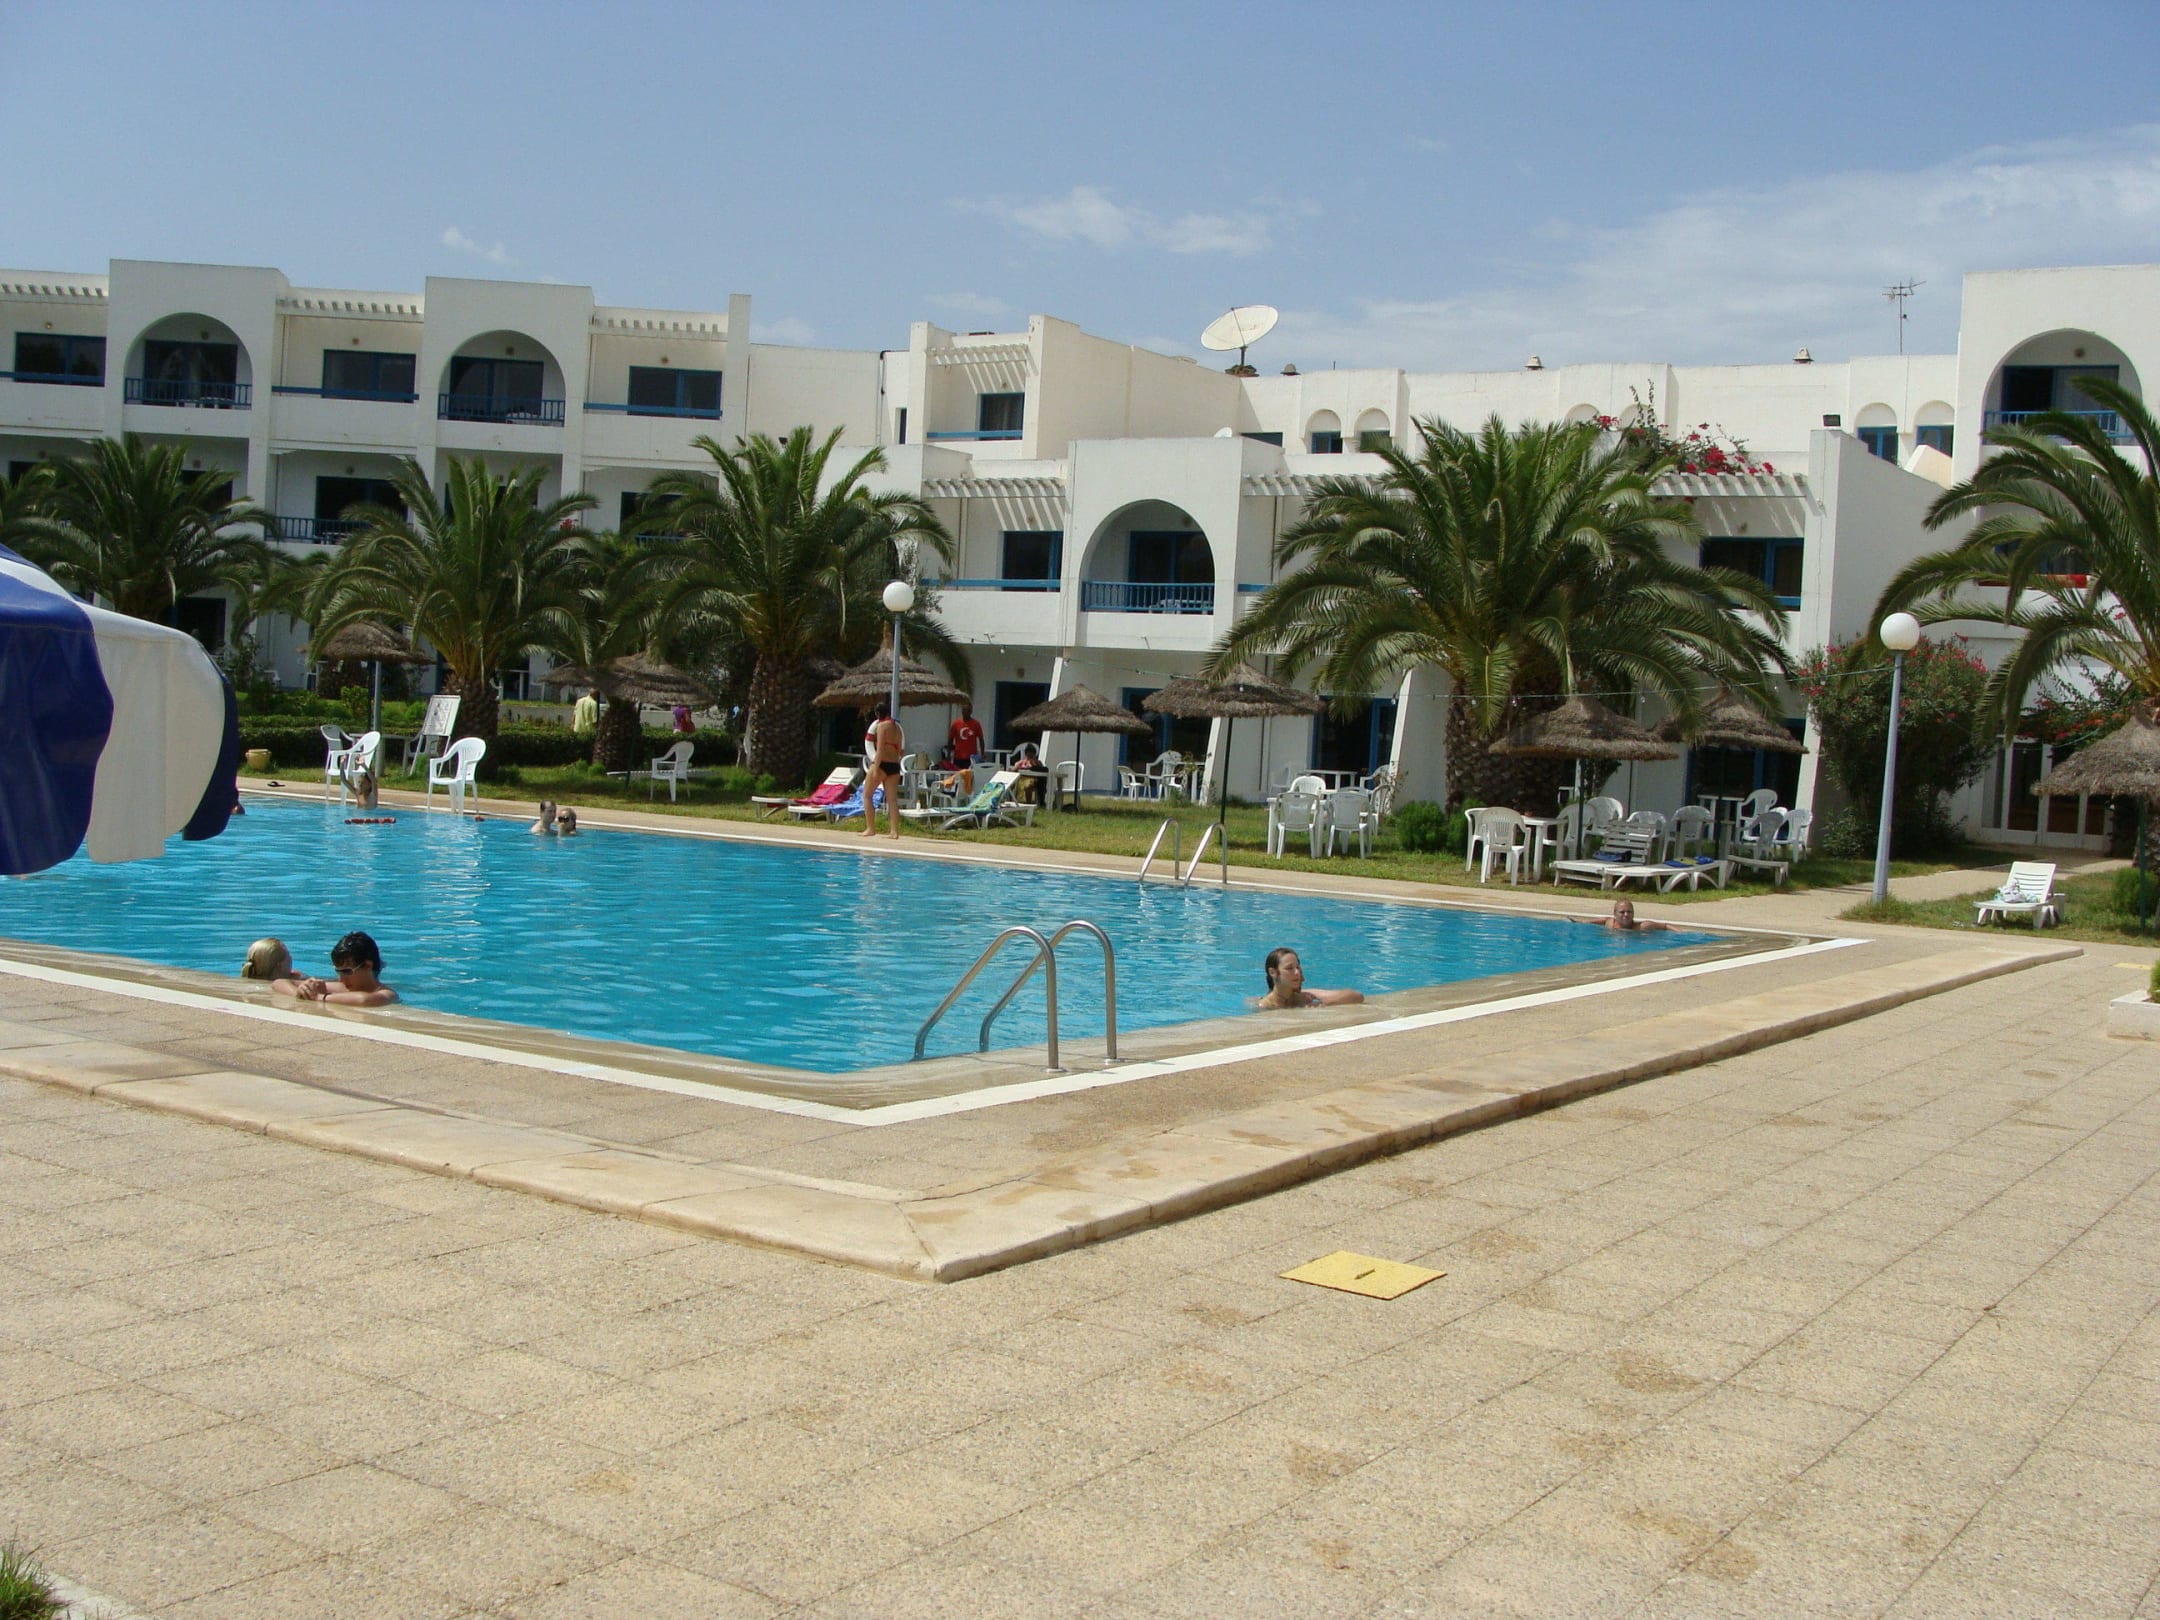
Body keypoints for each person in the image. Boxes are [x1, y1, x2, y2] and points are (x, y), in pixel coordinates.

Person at [276, 930, 399, 1007]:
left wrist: (319, 997)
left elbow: (364, 1000)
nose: (341, 979)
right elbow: (279, 982)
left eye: (347, 972)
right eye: (338, 972)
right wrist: (303, 992)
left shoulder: (387, 994)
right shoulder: (342, 987)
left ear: (368, 966)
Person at [1254, 947, 1364, 1009]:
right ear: (1273, 972)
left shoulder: (1305, 997)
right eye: (1289, 968)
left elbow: (1357, 996)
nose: (1297, 972)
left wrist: (1322, 1004)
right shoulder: (1265, 1006)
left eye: (1298, 967)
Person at [862, 701, 904, 837]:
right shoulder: (897, 728)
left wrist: (875, 768)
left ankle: (870, 828)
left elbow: (880, 750)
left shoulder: (881, 726)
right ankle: (894, 831)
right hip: (894, 765)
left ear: (878, 713)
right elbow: (900, 750)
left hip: (882, 764)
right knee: (892, 800)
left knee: (867, 795)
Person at [1584, 898, 1668, 933]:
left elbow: (1666, 926)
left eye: (1629, 912)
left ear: (1633, 913)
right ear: (1615, 914)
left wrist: (1678, 932)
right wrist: (1584, 923)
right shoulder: (1610, 923)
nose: (1626, 914)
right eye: (1622, 912)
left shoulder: (1642, 926)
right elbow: (1603, 920)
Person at [947, 701, 984, 775]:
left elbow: (981, 740)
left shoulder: (976, 724)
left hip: (971, 758)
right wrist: (948, 754)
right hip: (958, 757)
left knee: (970, 777)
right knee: (958, 777)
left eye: (967, 710)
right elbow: (950, 739)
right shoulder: (956, 724)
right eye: (964, 710)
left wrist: (982, 754)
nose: (965, 712)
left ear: (971, 711)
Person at [1012, 739, 1043, 805]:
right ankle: (1011, 800)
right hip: (1021, 779)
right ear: (1026, 754)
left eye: (1032, 755)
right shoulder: (1021, 762)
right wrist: (1018, 767)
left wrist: (1034, 764)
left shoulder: (1037, 762)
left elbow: (1041, 769)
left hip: (1033, 779)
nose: (1030, 757)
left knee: (1028, 786)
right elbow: (1014, 769)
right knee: (1012, 784)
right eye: (1028, 755)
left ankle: (1028, 803)